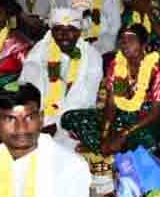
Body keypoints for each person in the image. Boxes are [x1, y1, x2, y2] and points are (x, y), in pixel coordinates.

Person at [60, 23, 160, 156]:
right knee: (70, 117)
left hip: (145, 120)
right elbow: (111, 103)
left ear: (143, 44)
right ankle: (109, 146)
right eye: (122, 41)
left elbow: (155, 112)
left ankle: (109, 146)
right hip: (120, 116)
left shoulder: (157, 70)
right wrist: (105, 133)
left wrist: (124, 133)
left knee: (148, 142)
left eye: (131, 40)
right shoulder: (116, 65)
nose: (125, 45)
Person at [17, 8, 103, 149]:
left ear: (79, 32)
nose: (64, 35)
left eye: (70, 29)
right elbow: (28, 86)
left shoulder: (92, 56)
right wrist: (41, 119)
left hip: (73, 116)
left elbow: (85, 99)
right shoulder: (41, 50)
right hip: (41, 115)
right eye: (58, 30)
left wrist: (56, 123)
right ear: (51, 32)